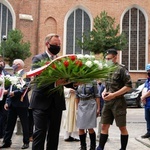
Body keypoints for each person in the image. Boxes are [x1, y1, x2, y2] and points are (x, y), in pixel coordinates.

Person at [30, 33, 75, 150]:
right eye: (55, 44)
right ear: (47, 44)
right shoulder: (38, 59)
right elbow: (38, 81)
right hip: (41, 103)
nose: (57, 47)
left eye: (59, 44)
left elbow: (66, 79)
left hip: (57, 104)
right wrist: (56, 83)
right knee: (40, 134)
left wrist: (75, 83)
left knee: (54, 136)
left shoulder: (61, 60)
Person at [96, 49, 132, 150]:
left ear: (115, 57)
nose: (107, 60)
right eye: (106, 59)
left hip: (118, 102)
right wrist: (104, 92)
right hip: (108, 102)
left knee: (122, 127)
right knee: (104, 126)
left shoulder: (121, 69)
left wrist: (114, 95)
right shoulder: (107, 69)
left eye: (109, 59)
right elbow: (105, 85)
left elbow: (128, 86)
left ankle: (123, 148)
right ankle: (100, 147)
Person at [0, 59, 30, 149]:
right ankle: (7, 141)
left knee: (24, 124)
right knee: (9, 124)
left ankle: (26, 142)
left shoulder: (25, 75)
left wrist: (15, 93)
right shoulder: (13, 75)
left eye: (14, 64)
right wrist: (7, 101)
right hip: (12, 104)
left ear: (19, 65)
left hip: (21, 103)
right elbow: (10, 89)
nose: (13, 65)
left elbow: (26, 88)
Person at [76, 81, 100, 150]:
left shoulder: (93, 81)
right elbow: (76, 95)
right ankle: (83, 146)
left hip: (90, 104)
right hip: (81, 104)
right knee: (80, 127)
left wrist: (98, 108)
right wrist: (77, 108)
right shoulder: (78, 80)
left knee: (90, 127)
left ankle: (93, 147)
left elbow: (97, 95)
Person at [0, 60, 11, 139]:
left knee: (4, 117)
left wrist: (7, 91)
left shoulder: (8, 75)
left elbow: (11, 86)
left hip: (4, 100)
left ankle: (2, 134)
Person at [141, 64, 150, 138]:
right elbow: (145, 89)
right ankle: (148, 132)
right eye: (147, 71)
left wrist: (143, 97)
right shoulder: (147, 81)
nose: (148, 73)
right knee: (147, 118)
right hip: (147, 103)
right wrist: (143, 97)